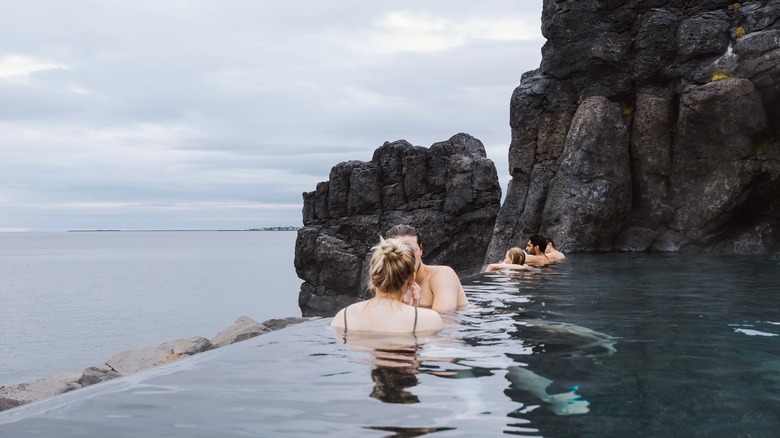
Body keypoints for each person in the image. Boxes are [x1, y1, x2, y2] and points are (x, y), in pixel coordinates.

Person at [331, 237, 443, 334]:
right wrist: (415, 311)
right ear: (411, 279)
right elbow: (414, 356)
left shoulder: (343, 317)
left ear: (371, 272)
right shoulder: (430, 320)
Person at [385, 224, 469, 313]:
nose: (407, 258)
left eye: (411, 251)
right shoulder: (386, 282)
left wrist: (411, 308)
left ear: (421, 249)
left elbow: (446, 321)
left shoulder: (443, 275)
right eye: (400, 253)